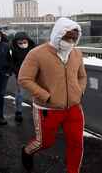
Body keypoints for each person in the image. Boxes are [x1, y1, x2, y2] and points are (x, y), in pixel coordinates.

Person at [18, 17, 87, 173]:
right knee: (44, 142)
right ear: (58, 35)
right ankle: (27, 151)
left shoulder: (76, 53)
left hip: (74, 108)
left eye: (74, 38)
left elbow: (82, 76)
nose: (70, 42)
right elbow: (24, 78)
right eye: (67, 37)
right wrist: (45, 96)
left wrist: (80, 91)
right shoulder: (37, 54)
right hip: (47, 109)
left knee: (77, 143)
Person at [10, 31, 36, 123]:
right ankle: (18, 112)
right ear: (16, 43)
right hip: (21, 76)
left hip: (34, 76)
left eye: (24, 42)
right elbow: (13, 64)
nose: (22, 44)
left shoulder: (34, 50)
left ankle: (35, 112)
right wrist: (18, 73)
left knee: (35, 95)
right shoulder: (15, 51)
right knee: (20, 94)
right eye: (20, 43)